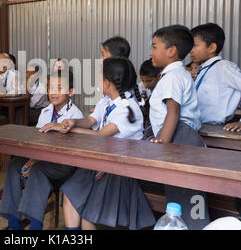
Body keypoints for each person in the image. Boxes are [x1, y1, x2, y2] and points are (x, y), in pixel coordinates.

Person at [41, 57, 155, 231]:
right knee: (70, 194)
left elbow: (101, 135)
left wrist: (64, 128)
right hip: (99, 161)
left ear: (108, 82)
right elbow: (90, 120)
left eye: (100, 77)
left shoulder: (128, 108)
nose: (97, 81)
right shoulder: (107, 101)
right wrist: (73, 122)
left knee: (88, 212)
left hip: (117, 169)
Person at [0, 69, 83, 230]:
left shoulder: (75, 115)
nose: (53, 92)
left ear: (71, 92)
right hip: (42, 160)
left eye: (59, 88)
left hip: (64, 164)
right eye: (50, 88)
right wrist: (32, 159)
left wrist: (35, 161)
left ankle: (35, 227)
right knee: (13, 165)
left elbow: (66, 151)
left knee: (38, 169)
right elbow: (38, 142)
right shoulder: (45, 112)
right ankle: (14, 224)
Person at [148, 24, 210, 229]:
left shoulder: (172, 77)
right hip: (182, 137)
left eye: (155, 46)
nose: (151, 52)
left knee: (188, 196)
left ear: (172, 51)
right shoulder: (177, 74)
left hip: (179, 137)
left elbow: (172, 112)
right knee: (185, 195)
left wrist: (162, 143)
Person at [190, 23, 241, 132]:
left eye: (195, 46)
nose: (191, 50)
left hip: (215, 129)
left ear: (211, 47)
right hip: (199, 127)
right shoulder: (202, 69)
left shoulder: (224, 67)